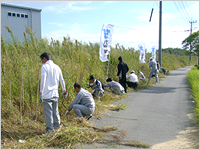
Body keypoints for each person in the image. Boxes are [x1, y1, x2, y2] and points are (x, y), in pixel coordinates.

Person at [39, 52, 67, 136]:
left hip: (47, 94)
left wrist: (41, 92)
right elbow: (61, 79)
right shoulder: (57, 67)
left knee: (48, 113)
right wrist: (64, 90)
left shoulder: (45, 67)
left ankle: (50, 130)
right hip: (55, 94)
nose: (42, 62)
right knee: (55, 112)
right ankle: (57, 127)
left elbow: (43, 80)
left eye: (42, 60)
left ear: (44, 59)